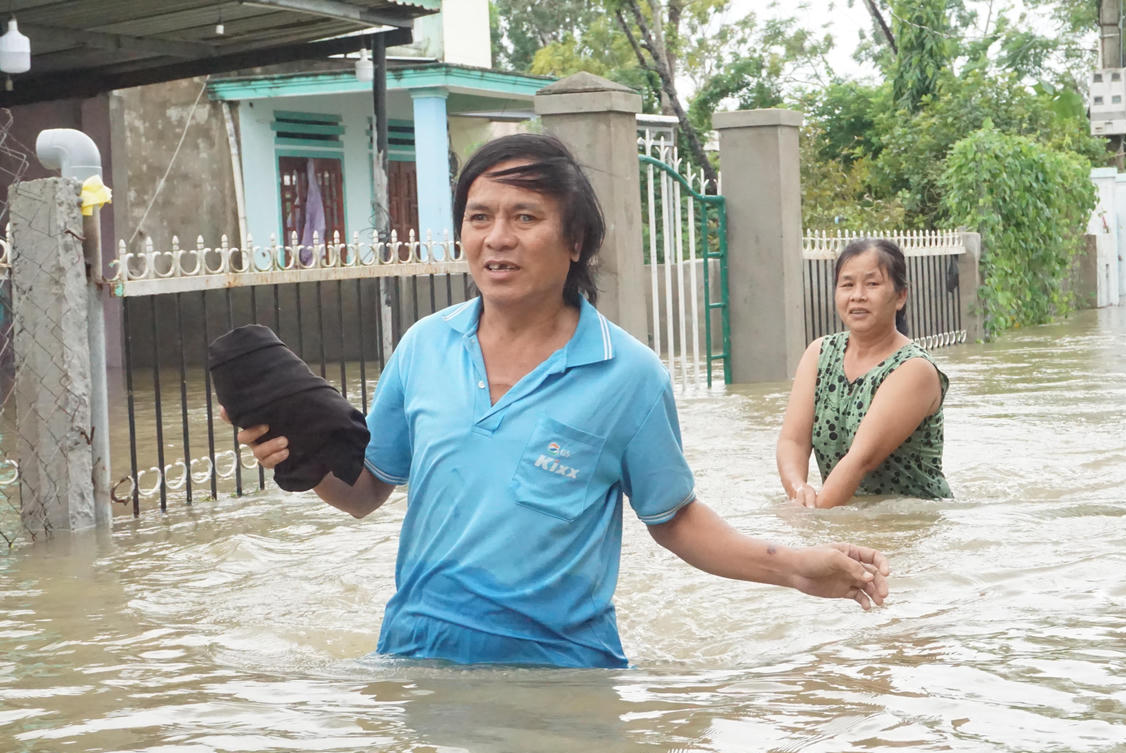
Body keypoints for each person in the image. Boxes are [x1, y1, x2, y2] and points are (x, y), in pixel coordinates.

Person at [234, 133, 889, 668]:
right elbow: (366, 489)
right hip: (416, 661)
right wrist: (301, 458)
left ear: (575, 242)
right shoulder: (423, 348)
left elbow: (675, 519)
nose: (497, 237)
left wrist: (799, 569)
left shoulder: (627, 375)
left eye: (525, 217)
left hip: (562, 682)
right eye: (479, 216)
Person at [777, 238, 952, 507]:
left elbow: (860, 461)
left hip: (908, 522)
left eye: (872, 284)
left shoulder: (915, 369)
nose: (857, 295)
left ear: (901, 296)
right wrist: (798, 491)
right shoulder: (819, 353)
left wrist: (811, 521)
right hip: (842, 510)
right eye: (847, 284)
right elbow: (793, 441)